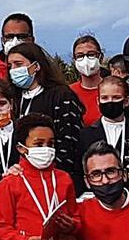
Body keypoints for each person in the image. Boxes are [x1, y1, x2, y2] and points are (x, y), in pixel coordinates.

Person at [7, 42, 85, 176]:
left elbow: (70, 141)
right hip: (21, 174)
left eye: (18, 64)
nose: (13, 70)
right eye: (10, 66)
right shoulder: (14, 98)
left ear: (36, 66)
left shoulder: (61, 95)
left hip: (55, 174)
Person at [76, 77, 129, 192]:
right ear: (98, 101)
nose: (110, 101)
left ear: (126, 101)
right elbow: (79, 171)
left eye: (116, 97)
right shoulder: (85, 135)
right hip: (97, 197)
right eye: (105, 98)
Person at [0, 13, 36, 86]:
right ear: (2, 40)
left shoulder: (44, 73)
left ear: (32, 40)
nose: (15, 41)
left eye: (22, 37)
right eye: (9, 37)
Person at [70, 35, 105, 126]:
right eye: (80, 56)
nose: (85, 60)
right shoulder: (68, 92)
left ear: (100, 57)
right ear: (74, 60)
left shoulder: (113, 89)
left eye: (91, 54)